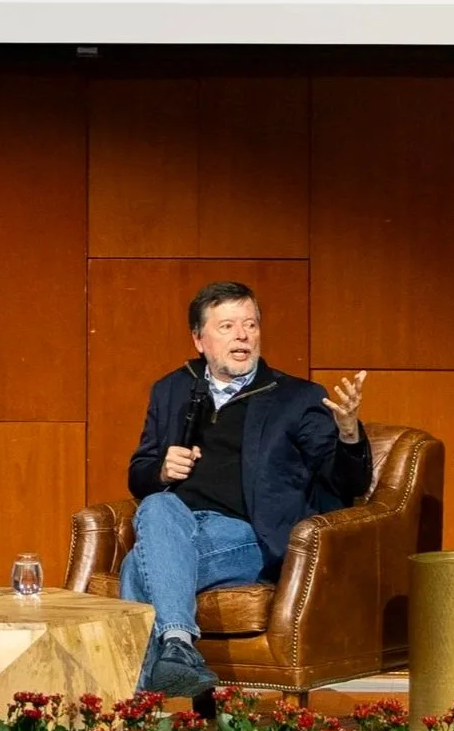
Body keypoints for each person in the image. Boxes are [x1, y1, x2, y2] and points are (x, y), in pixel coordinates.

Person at [120, 281, 369, 695]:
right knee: (158, 507)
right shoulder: (172, 389)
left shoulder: (297, 398)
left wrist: (347, 432)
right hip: (179, 526)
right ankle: (178, 650)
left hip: (252, 533)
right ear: (199, 339)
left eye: (250, 325)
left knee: (136, 567)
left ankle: (142, 713)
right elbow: (139, 474)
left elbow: (346, 483)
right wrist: (162, 472)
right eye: (228, 326)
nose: (242, 336)